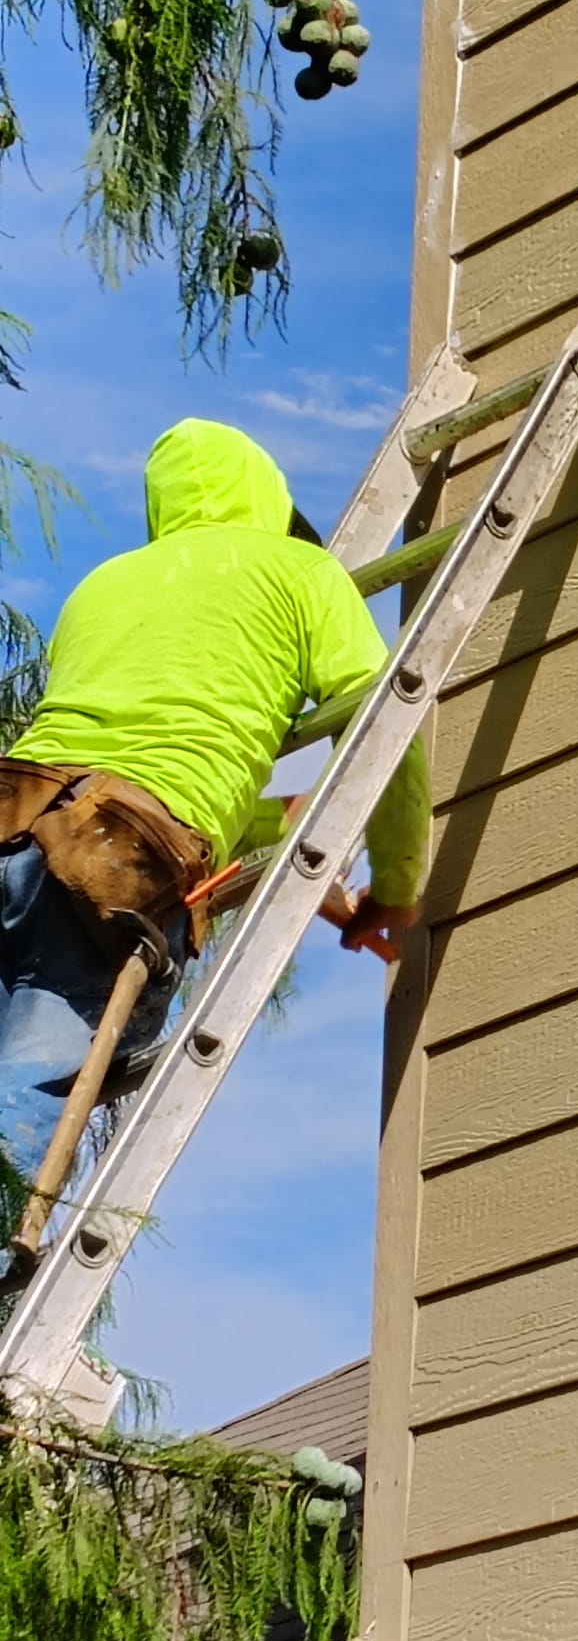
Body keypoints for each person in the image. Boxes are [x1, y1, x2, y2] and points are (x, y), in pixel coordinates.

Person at [0, 417, 431, 1188]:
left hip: (17, 814)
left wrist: (293, 850)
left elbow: (116, 763)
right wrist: (394, 893)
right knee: (20, 1105)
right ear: (264, 498)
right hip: (107, 861)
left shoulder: (102, 586)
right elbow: (386, 723)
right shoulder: (300, 573)